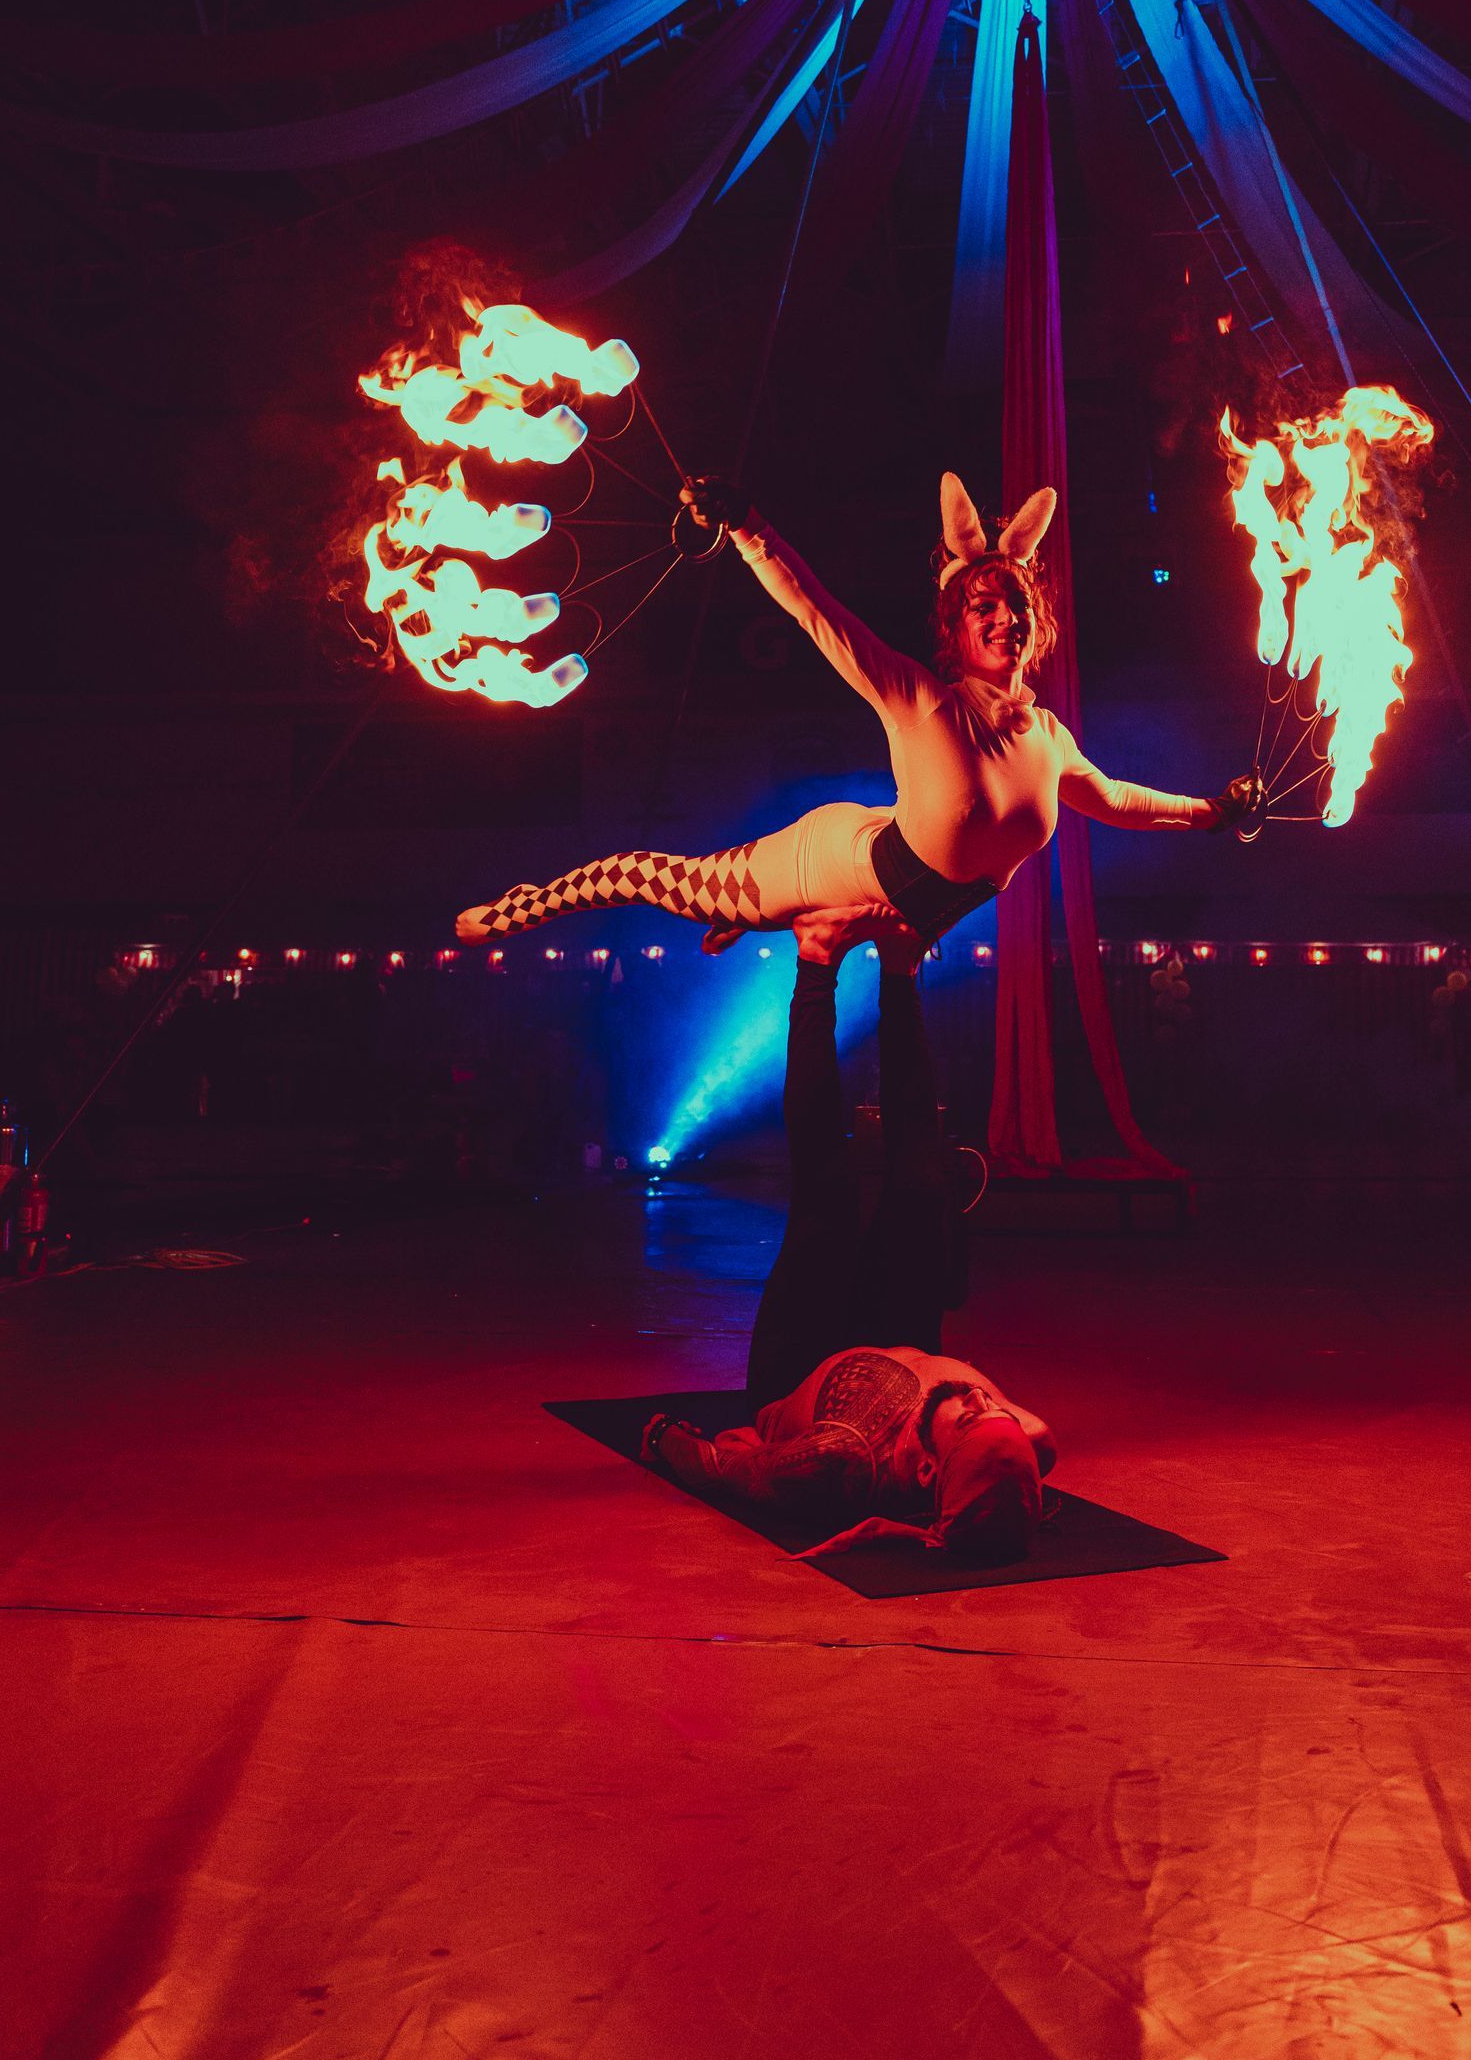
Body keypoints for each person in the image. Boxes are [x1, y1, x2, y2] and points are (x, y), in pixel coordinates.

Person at [458, 473, 1250, 952]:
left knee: (787, 919)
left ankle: (762, 920)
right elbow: (815, 613)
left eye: (1016, 604)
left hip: (898, 881)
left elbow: (1117, 801)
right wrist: (747, 528)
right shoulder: (922, 697)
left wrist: (1214, 811)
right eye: (984, 605)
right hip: (833, 855)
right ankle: (525, 903)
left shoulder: (1049, 737)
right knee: (668, 881)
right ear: (954, 626)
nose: (1005, 617)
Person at [644, 909, 1054, 1562]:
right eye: (995, 1409)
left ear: (925, 1468)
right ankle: (898, 967)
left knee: (826, 1193)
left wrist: (666, 1439)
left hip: (803, 1364)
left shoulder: (847, 1453)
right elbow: (1034, 1438)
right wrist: (996, 1435)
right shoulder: (1020, 1433)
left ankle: (814, 966)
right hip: (898, 1332)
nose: (979, 1396)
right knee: (921, 1184)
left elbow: (735, 1470)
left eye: (970, 1416)